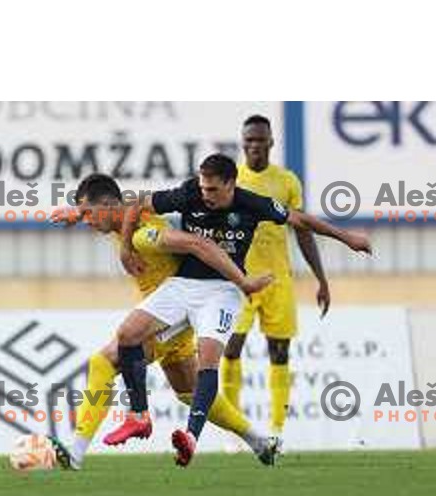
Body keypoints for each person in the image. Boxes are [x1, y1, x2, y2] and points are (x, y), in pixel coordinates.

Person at [105, 153, 372, 467]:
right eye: (203, 188)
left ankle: (191, 437)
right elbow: (136, 204)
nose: (205, 195)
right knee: (127, 334)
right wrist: (124, 249)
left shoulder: (252, 203)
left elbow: (300, 220)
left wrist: (347, 237)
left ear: (231, 185)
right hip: (183, 284)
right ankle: (139, 415)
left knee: (207, 359)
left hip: (222, 291)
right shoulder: (189, 192)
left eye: (213, 190)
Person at [49, 173, 275, 469]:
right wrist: (78, 213)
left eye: (89, 214)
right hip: (165, 317)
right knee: (188, 393)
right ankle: (260, 441)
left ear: (106, 205)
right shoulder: (123, 220)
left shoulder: (146, 233)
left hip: (171, 316)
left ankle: (76, 451)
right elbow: (124, 202)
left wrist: (242, 282)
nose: (88, 222)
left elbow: (198, 245)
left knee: (103, 362)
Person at [222, 114, 331, 455]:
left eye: (259, 140)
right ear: (243, 144)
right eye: (248, 141)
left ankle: (276, 431)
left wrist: (321, 279)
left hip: (278, 280)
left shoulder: (286, 181)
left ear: (270, 142)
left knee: (279, 353)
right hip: (238, 280)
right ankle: (236, 430)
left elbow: (302, 231)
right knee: (231, 348)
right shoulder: (231, 179)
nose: (254, 146)